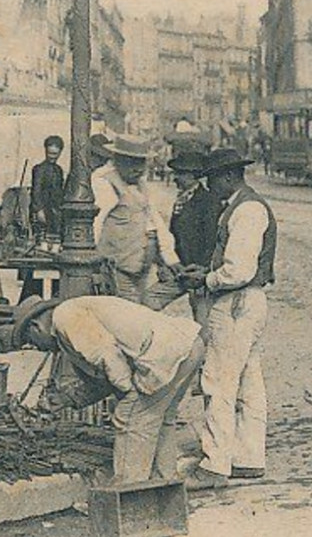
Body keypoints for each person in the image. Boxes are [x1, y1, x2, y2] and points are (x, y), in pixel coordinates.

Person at [0, 295, 205, 483]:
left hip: (166, 353)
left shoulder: (66, 316)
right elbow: (102, 382)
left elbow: (107, 355)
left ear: (36, 326)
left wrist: (128, 393)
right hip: (186, 346)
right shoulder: (67, 330)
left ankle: (128, 492)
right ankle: (165, 485)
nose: (37, 347)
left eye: (31, 341)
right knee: (159, 419)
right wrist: (67, 399)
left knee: (130, 420)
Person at [178, 147, 278, 490]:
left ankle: (215, 464)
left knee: (218, 382)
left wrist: (206, 279)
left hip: (235, 303)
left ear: (227, 177)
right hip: (249, 303)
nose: (210, 187)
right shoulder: (242, 205)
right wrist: (207, 270)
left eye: (212, 179)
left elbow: (238, 270)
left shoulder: (246, 210)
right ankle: (249, 457)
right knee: (249, 382)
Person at [92, 135, 179, 305]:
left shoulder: (141, 185)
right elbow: (96, 223)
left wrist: (170, 258)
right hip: (117, 267)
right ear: (117, 160)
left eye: (142, 163)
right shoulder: (104, 183)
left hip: (140, 267)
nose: (139, 169)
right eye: (132, 162)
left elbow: (155, 221)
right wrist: (93, 263)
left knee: (136, 309)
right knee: (127, 312)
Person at [164, 137, 221, 324]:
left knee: (202, 319)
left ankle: (204, 351)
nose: (175, 178)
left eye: (179, 174)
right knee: (148, 301)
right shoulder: (182, 199)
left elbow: (212, 239)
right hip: (181, 269)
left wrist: (203, 269)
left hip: (199, 273)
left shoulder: (207, 201)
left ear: (192, 176)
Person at [30, 135, 66, 251]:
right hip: (44, 207)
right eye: (49, 153)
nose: (52, 157)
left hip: (55, 208)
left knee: (56, 235)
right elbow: (36, 190)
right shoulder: (39, 169)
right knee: (42, 236)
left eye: (55, 154)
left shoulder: (59, 170)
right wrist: (39, 209)